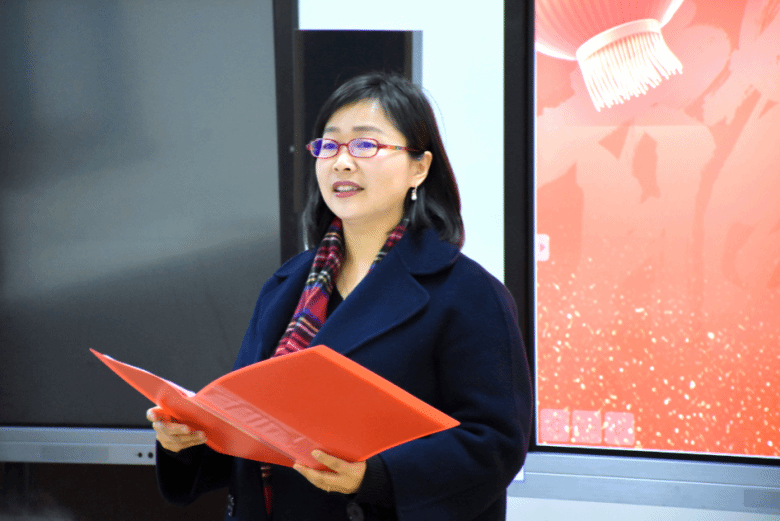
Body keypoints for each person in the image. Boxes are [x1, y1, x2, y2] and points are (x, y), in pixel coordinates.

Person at [147, 72, 533, 521]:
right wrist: (187, 440)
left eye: (365, 145)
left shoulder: (467, 292)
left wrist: (375, 476)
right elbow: (248, 433)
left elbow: (495, 443)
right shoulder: (286, 285)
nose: (342, 162)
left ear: (419, 167)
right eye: (329, 146)